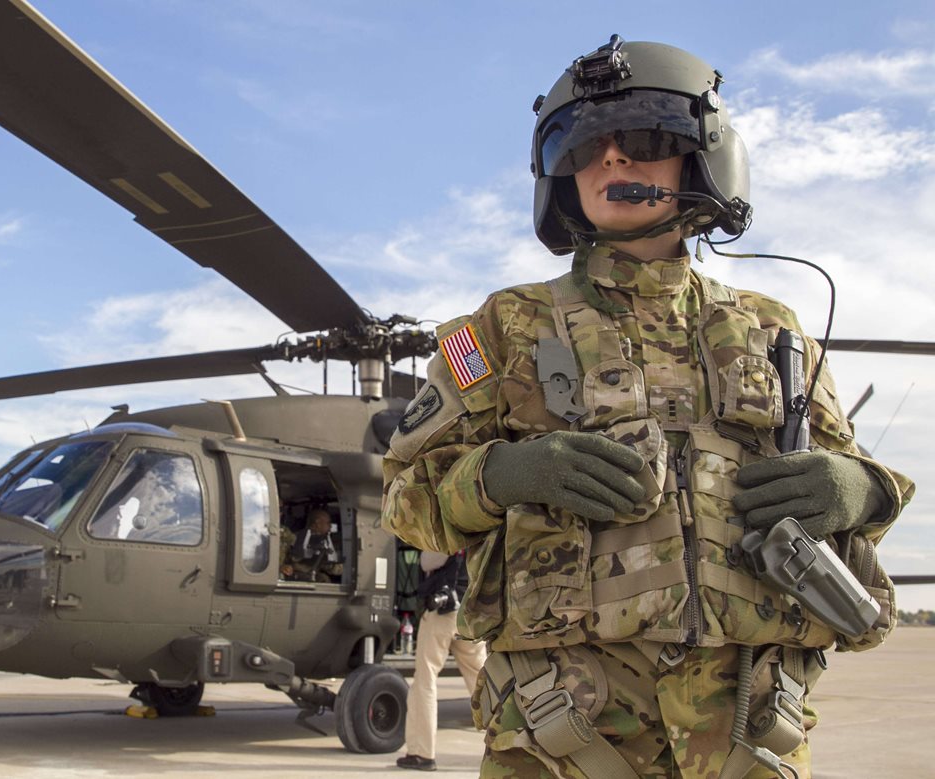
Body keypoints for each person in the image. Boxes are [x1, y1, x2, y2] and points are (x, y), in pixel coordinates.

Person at [383, 35, 914, 779]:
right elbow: (404, 498)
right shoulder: (502, 327)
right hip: (561, 734)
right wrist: (500, 474)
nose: (610, 162)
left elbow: (853, 487)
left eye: (639, 140)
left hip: (753, 733)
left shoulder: (774, 329)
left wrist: (859, 489)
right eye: (583, 147)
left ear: (702, 159)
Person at [397, 550, 488, 772]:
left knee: (425, 681)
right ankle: (505, 747)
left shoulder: (449, 528)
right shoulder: (484, 528)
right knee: (484, 685)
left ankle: (422, 753)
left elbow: (428, 562)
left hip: (444, 614)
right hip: (472, 616)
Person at [285, 507, 343, 582]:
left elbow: (331, 566)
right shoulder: (296, 539)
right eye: (328, 523)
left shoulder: (322, 540)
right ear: (318, 523)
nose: (330, 526)